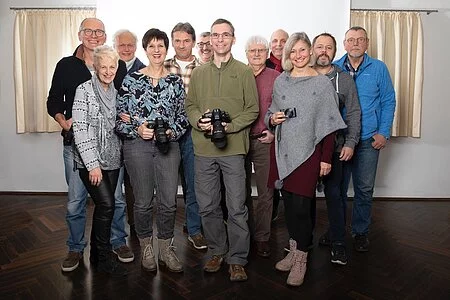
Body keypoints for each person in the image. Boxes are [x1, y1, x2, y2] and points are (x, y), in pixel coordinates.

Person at [46, 18, 133, 272]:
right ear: (80, 34)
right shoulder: (68, 67)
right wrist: (65, 123)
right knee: (76, 202)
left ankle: (115, 243)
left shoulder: (117, 71)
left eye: (99, 31)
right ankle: (76, 248)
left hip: (111, 151)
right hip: (79, 148)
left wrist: (125, 117)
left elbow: (121, 104)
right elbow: (54, 102)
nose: (93, 35)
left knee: (115, 201)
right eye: (89, 31)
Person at [266, 32, 346, 286]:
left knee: (302, 207)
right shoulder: (282, 81)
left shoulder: (321, 83)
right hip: (283, 150)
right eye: (293, 51)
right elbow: (271, 111)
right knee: (288, 205)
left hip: (310, 153)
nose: (298, 56)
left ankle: (301, 258)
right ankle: (293, 251)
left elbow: (330, 124)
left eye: (302, 50)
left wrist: (326, 159)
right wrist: (272, 119)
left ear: (310, 51)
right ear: (287, 55)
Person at [185, 18, 259, 282]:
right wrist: (198, 121)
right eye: (215, 35)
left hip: (234, 149)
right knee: (207, 206)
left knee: (237, 206)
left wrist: (229, 127)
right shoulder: (198, 73)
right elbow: (190, 106)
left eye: (225, 35)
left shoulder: (244, 71)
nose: (219, 39)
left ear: (233, 39)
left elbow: (252, 109)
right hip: (203, 150)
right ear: (210, 40)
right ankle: (217, 251)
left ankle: (237, 259)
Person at [116, 28, 188, 273]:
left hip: (169, 146)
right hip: (138, 147)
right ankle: (146, 246)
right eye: (151, 46)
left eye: (161, 46)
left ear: (166, 49)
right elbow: (120, 119)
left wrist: (170, 132)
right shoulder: (131, 79)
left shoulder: (174, 81)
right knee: (143, 202)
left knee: (168, 202)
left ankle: (166, 247)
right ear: (145, 50)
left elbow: (183, 118)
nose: (156, 50)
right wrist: (138, 130)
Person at [334, 26, 396, 252]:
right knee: (338, 189)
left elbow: (389, 100)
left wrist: (383, 132)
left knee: (364, 189)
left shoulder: (379, 68)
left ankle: (360, 232)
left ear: (367, 43)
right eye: (351, 40)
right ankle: (336, 230)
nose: (356, 43)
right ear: (344, 44)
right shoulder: (334, 68)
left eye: (360, 39)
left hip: (369, 139)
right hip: (341, 140)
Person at [72, 45, 127, 276]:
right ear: (95, 67)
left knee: (105, 209)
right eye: (103, 66)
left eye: (112, 66)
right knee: (106, 205)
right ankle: (103, 258)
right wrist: (92, 165)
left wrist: (124, 117)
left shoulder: (115, 92)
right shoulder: (83, 90)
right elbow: (80, 129)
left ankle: (96, 254)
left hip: (113, 158)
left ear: (116, 68)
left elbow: (116, 126)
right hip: (90, 161)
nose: (107, 71)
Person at [312, 33, 361, 265]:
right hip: (306, 148)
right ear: (312, 49)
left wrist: (351, 142)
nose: (324, 51)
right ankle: (300, 244)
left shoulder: (344, 79)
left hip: (334, 146)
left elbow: (352, 112)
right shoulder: (303, 75)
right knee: (303, 197)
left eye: (328, 47)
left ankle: (339, 243)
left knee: (334, 195)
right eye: (319, 47)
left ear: (334, 51)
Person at [164, 22, 207, 250]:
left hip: (193, 133)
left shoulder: (203, 68)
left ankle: (194, 230)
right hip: (169, 134)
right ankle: (165, 235)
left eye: (186, 40)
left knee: (193, 184)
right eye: (177, 41)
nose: (182, 45)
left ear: (193, 41)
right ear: (173, 42)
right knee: (168, 187)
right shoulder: (162, 66)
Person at [244, 35, 279, 258]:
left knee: (266, 191)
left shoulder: (276, 77)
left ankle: (262, 237)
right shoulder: (238, 75)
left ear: (267, 54)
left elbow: (283, 108)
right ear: (246, 54)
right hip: (239, 140)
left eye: (261, 50)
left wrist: (274, 132)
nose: (257, 54)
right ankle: (244, 234)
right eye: (252, 51)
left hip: (263, 140)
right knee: (240, 191)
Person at [113, 29, 146, 235]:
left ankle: (136, 225)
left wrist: (132, 119)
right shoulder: (108, 68)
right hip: (113, 135)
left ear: (135, 46)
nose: (126, 49)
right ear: (115, 46)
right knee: (114, 185)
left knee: (135, 182)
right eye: (121, 45)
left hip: (136, 135)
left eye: (130, 45)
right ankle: (116, 228)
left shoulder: (144, 69)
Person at [266, 28, 289, 222]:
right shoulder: (261, 64)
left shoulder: (296, 65)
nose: (279, 44)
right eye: (275, 41)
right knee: (271, 173)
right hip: (269, 127)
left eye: (283, 41)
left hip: (291, 129)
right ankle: (271, 214)